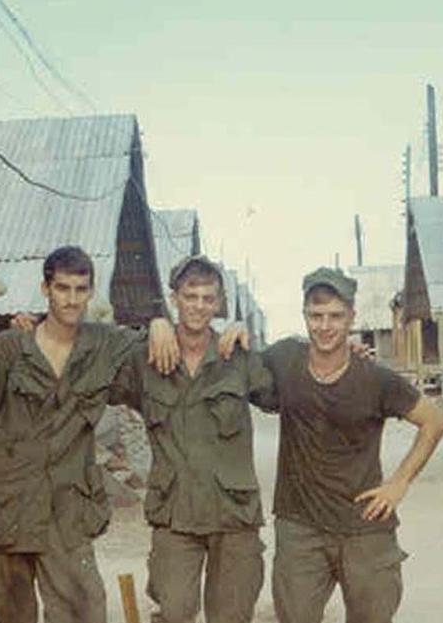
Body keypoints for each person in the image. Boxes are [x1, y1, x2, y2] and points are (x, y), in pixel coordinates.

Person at [208, 267, 443, 623]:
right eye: (316, 316)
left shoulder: (377, 380)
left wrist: (399, 483)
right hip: (300, 528)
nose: (325, 326)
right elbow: (240, 360)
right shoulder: (285, 357)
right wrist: (236, 329)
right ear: (304, 316)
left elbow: (434, 420)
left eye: (336, 316)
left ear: (352, 316)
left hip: (365, 526)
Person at [0, 245, 174, 623]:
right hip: (8, 503)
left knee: (83, 608)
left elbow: (152, 346)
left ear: (90, 292)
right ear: (45, 289)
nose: (71, 300)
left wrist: (159, 322)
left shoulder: (104, 344)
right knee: (9, 607)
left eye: (80, 289)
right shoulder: (9, 348)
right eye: (62, 288)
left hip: (66, 508)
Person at [108, 255, 274, 623]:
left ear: (218, 304)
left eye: (207, 298)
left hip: (233, 515)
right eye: (190, 295)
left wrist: (350, 354)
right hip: (175, 515)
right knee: (175, 610)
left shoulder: (239, 356)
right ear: (174, 298)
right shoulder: (145, 359)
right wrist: (149, 326)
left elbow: (290, 384)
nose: (198, 306)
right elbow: (94, 362)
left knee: (232, 616)